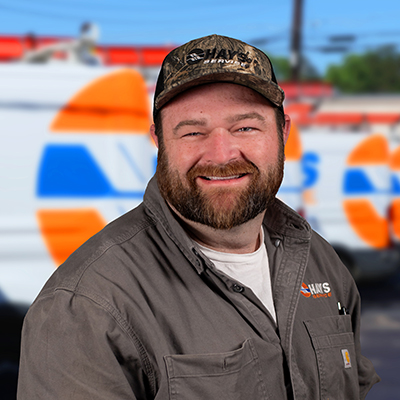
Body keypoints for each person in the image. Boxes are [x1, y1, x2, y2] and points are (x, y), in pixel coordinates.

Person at [17, 34, 380, 399]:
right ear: (159, 141)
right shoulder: (85, 307)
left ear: (282, 133)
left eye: (245, 127)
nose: (221, 154)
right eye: (193, 131)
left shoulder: (320, 262)